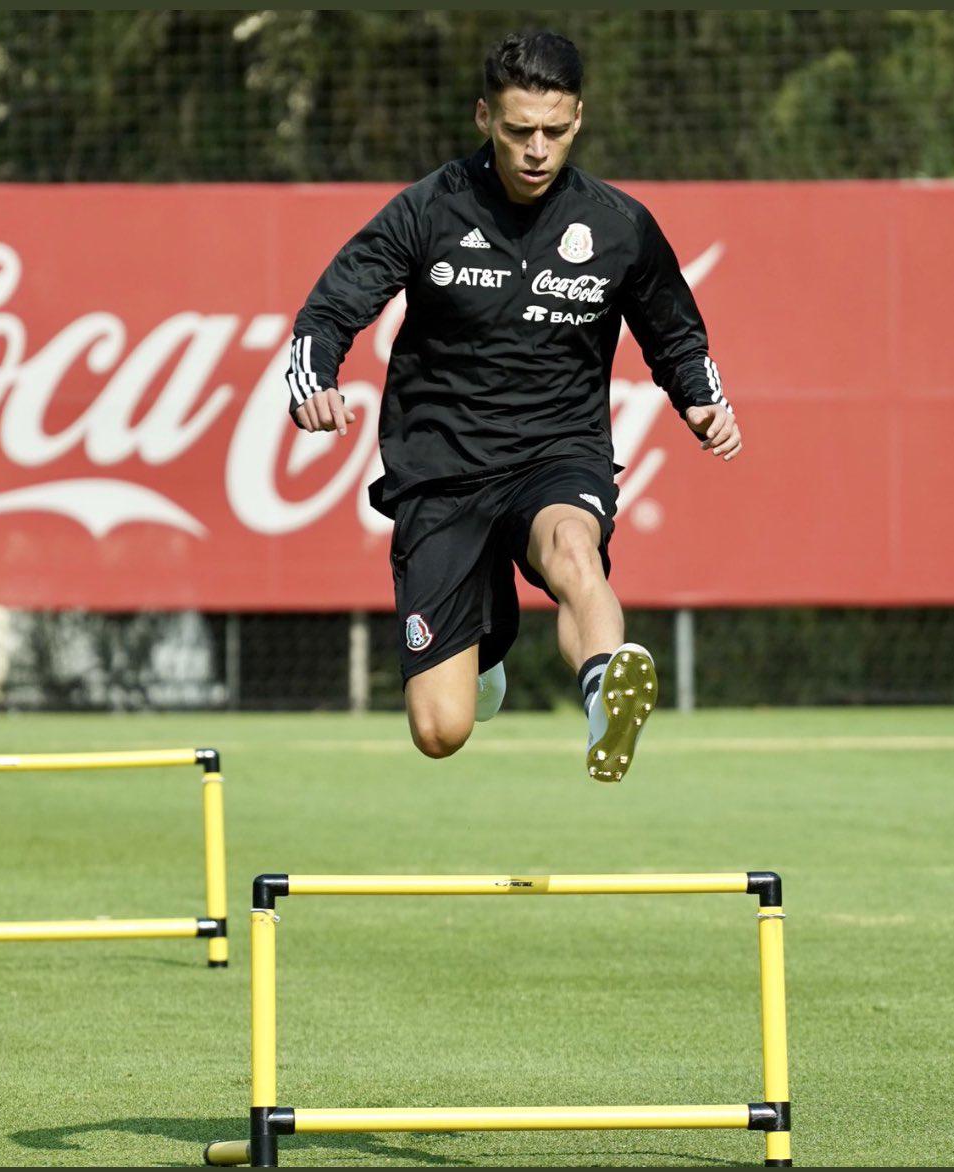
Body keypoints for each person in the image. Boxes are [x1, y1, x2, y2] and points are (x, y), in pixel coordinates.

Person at [286, 30, 741, 782]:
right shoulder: (428, 210)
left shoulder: (617, 225)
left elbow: (675, 330)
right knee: (441, 730)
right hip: (443, 469)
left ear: (579, 121)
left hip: (556, 453)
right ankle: (485, 652)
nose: (537, 149)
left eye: (555, 131)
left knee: (574, 551)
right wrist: (313, 384)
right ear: (483, 118)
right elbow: (331, 307)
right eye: (519, 129)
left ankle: (606, 701)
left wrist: (701, 400)